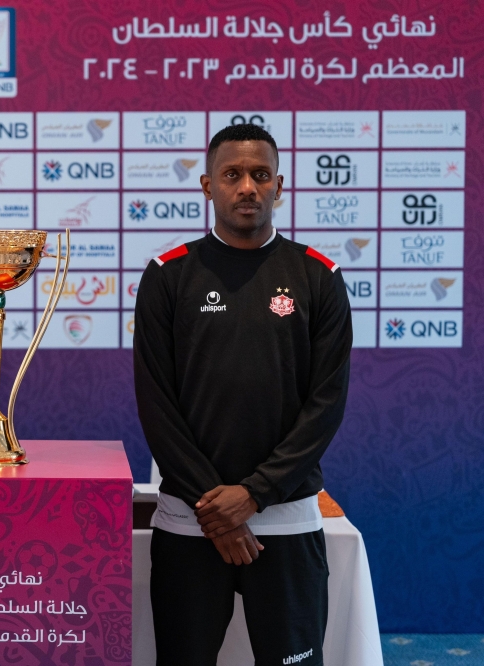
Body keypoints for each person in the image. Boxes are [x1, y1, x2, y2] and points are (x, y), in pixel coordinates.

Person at [133, 122, 352, 665]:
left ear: (280, 184)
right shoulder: (168, 276)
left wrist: (254, 495)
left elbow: (325, 407)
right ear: (207, 186)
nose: (247, 187)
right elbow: (157, 406)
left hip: (286, 522)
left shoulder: (318, 277)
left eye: (260, 175)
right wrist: (218, 511)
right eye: (232, 175)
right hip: (191, 522)